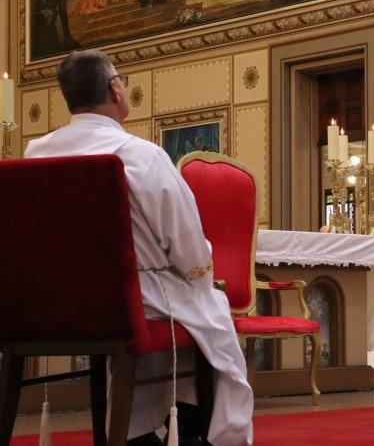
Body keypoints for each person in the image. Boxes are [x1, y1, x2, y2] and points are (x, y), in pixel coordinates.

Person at [25, 50, 253, 445]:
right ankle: (197, 431)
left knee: (177, 300)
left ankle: (140, 430)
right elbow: (188, 247)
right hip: (131, 303)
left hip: (57, 307)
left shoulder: (36, 153)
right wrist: (201, 274)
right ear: (115, 89)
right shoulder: (141, 155)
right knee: (206, 307)